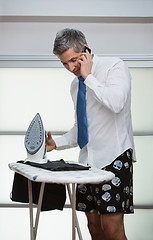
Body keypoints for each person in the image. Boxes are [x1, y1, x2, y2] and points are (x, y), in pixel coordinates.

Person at [47, 28, 136, 240]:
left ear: (86, 50)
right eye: (64, 63)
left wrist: (88, 77)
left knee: (112, 230)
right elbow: (82, 128)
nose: (70, 68)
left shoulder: (114, 67)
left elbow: (116, 103)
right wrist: (55, 143)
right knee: (93, 227)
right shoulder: (75, 86)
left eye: (74, 60)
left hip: (114, 157)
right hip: (87, 162)